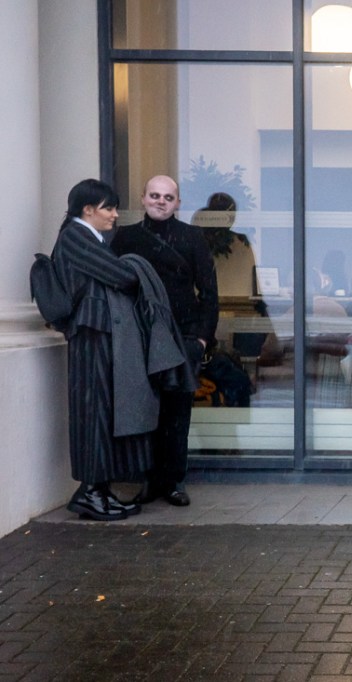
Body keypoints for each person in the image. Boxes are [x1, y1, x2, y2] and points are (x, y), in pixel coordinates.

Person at [53, 179, 193, 521]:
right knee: (93, 414)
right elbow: (120, 276)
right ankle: (89, 492)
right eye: (109, 208)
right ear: (88, 210)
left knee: (102, 413)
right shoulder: (75, 236)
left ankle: (98, 490)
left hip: (100, 335)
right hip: (91, 336)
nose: (115, 215)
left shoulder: (89, 236)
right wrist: (134, 266)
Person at [111, 175, 219, 507]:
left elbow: (210, 294)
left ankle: (172, 482)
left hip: (183, 337)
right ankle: (146, 480)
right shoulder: (124, 238)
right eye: (155, 195)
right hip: (138, 338)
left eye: (168, 197)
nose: (161, 201)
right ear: (142, 199)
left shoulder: (192, 238)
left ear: (178, 203)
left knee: (177, 413)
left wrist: (200, 340)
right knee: (143, 411)